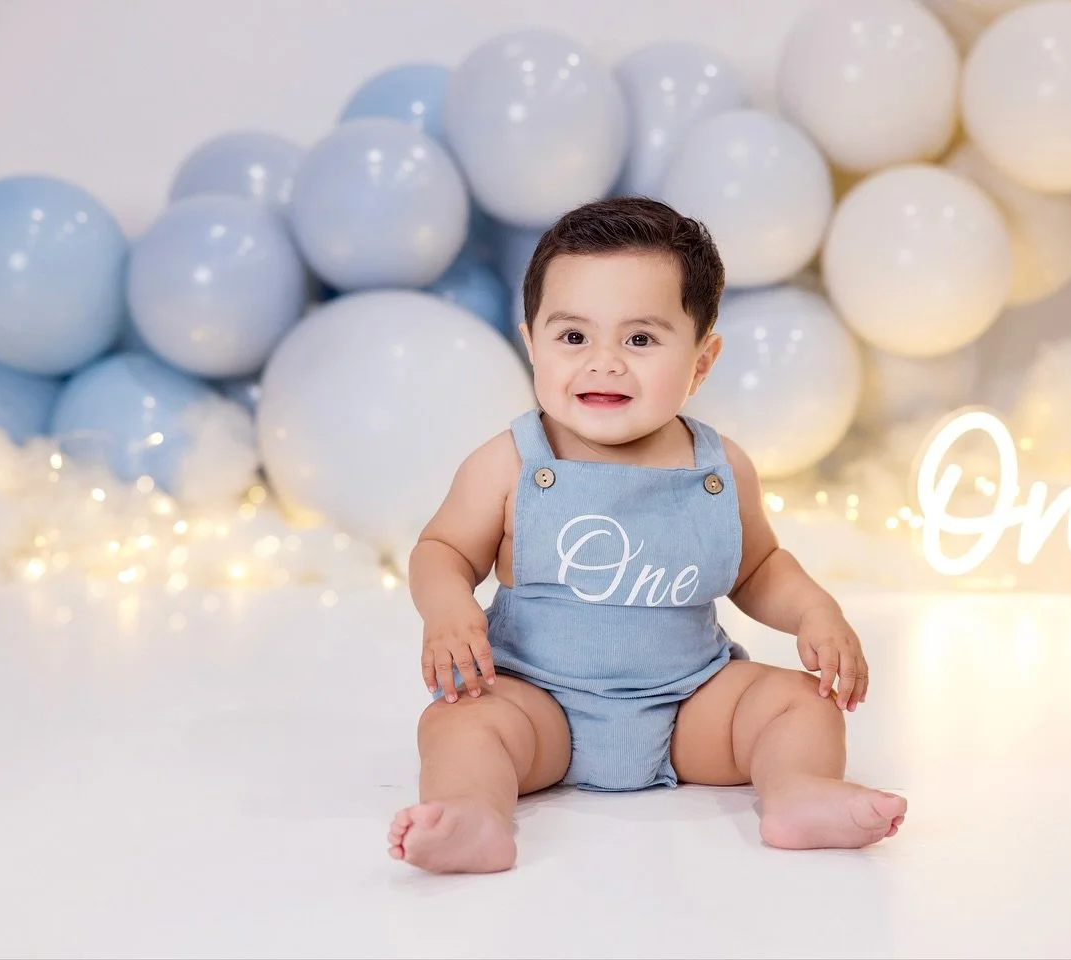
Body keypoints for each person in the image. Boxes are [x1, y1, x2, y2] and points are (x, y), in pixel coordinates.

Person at [387, 196, 906, 873]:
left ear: (701, 360)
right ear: (531, 343)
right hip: (538, 704)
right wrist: (449, 608)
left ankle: (799, 792)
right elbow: (443, 550)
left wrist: (816, 611)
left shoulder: (719, 468)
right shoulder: (511, 462)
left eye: (640, 339)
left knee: (800, 704)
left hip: (690, 705)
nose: (604, 363)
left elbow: (757, 567)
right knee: (459, 723)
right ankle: (475, 816)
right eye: (574, 337)